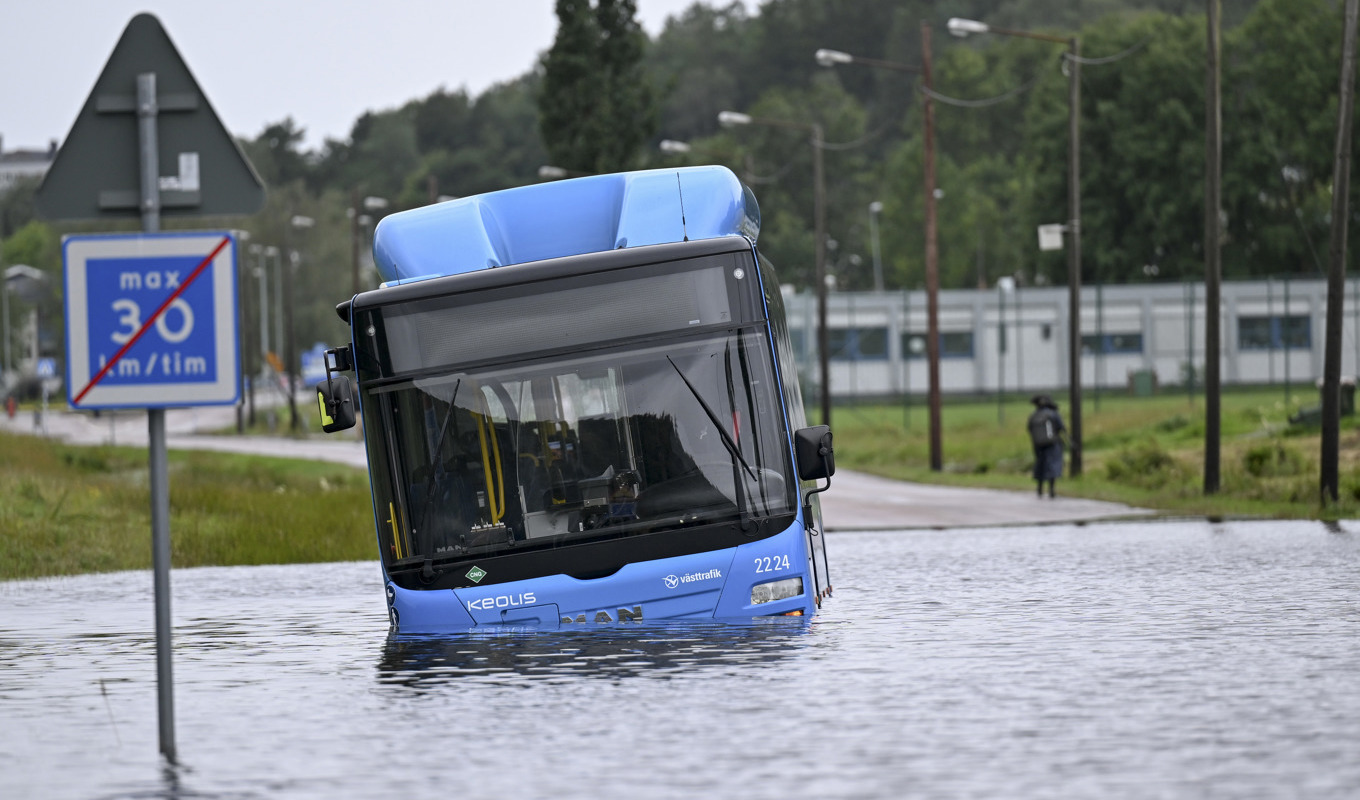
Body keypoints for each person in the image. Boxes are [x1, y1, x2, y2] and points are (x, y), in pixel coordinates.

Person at [1026, 394, 1067, 498]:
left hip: (1038, 444)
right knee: (1052, 464)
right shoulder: (1053, 414)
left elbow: (1029, 429)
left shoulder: (1034, 415)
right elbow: (1061, 427)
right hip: (1052, 443)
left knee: (1040, 464)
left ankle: (1039, 488)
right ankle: (1051, 489)